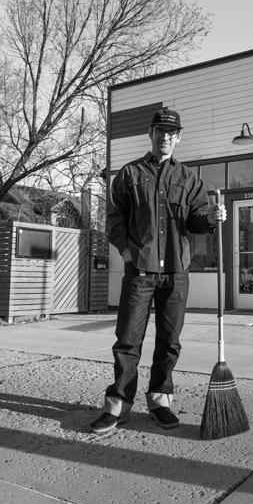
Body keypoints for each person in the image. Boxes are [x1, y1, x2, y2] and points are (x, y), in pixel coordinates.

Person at [90, 107, 226, 434]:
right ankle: (118, 404)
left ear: (178, 138)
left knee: (169, 341)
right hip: (140, 269)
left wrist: (211, 218)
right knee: (127, 340)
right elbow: (115, 220)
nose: (165, 137)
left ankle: (160, 399)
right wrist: (127, 252)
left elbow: (196, 220)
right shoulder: (129, 174)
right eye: (160, 131)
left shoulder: (189, 178)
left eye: (172, 133)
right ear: (150, 134)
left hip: (176, 272)